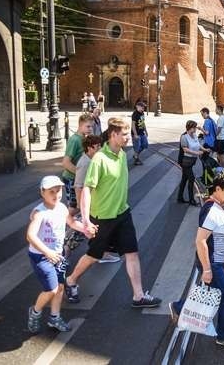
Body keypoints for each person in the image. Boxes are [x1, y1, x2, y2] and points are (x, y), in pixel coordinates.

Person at [65, 117, 162, 307]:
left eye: (128, 134)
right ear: (113, 135)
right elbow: (86, 189)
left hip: (122, 214)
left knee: (132, 253)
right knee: (94, 256)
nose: (128, 138)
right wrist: (86, 221)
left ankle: (138, 295)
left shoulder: (122, 155)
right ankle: (71, 280)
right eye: (124, 134)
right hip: (102, 218)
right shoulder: (99, 159)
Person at [169, 172, 224, 348]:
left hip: (221, 261)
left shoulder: (223, 204)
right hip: (213, 263)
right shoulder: (211, 210)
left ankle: (179, 307)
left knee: (213, 294)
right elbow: (200, 240)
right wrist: (207, 269)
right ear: (217, 189)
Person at [26, 175, 93, 334]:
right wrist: (47, 252)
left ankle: (54, 317)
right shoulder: (39, 213)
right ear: (42, 193)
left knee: (60, 288)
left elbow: (70, 222)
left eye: (59, 191)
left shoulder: (62, 208)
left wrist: (86, 229)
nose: (56, 194)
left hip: (58, 255)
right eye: (51, 192)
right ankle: (35, 312)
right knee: (52, 289)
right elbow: (30, 236)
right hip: (41, 256)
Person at [73, 135, 121, 263]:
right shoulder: (85, 163)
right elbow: (78, 186)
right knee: (79, 233)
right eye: (97, 146)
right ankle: (64, 254)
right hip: (88, 204)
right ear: (90, 148)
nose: (100, 148)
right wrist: (81, 206)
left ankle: (103, 253)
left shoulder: (94, 159)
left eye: (100, 145)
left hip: (96, 202)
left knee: (98, 230)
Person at [62, 114, 94, 216]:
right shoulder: (75, 140)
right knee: (74, 206)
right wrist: (79, 173)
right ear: (80, 125)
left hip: (78, 178)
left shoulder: (84, 139)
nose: (90, 129)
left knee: (81, 204)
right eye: (88, 126)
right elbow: (66, 162)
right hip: (71, 178)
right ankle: (63, 226)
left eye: (91, 126)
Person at [177, 120, 208, 205]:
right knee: (191, 179)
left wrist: (205, 150)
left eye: (195, 128)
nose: (195, 129)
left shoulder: (194, 135)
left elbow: (197, 145)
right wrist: (197, 153)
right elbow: (185, 149)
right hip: (185, 161)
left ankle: (180, 197)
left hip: (192, 161)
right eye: (194, 128)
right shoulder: (184, 137)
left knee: (184, 179)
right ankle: (191, 200)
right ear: (189, 127)